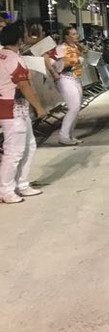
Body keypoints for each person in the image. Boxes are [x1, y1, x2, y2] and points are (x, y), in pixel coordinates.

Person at [1, 22, 48, 203]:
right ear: (19, 39)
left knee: (28, 146)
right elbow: (23, 85)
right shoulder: (14, 59)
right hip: (13, 110)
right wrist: (39, 107)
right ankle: (6, 189)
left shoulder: (3, 56)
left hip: (12, 108)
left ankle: (21, 184)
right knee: (14, 152)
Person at [44, 25, 85, 145]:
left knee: (76, 108)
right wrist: (55, 73)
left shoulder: (76, 47)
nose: (76, 36)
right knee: (74, 106)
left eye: (76, 33)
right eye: (73, 34)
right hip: (65, 78)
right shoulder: (61, 48)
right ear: (66, 37)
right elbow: (47, 59)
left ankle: (69, 135)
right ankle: (63, 136)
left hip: (76, 78)